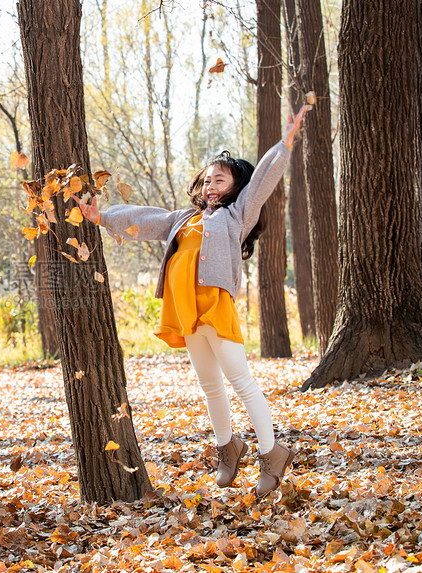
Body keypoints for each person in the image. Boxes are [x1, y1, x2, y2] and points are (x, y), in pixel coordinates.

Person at [75, 106, 309, 497]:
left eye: (221, 179)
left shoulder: (237, 215)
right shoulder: (183, 219)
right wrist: (102, 218)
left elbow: (263, 182)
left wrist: (284, 144)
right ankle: (228, 447)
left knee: (241, 381)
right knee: (209, 385)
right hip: (185, 310)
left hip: (215, 306)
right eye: (207, 179)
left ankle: (272, 454)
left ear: (235, 188)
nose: (211, 185)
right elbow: (145, 219)